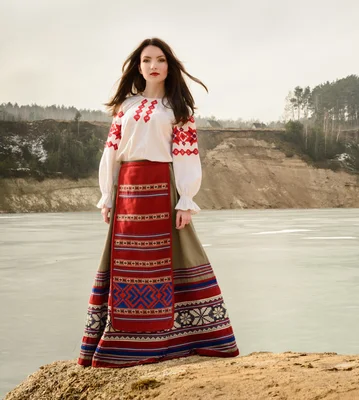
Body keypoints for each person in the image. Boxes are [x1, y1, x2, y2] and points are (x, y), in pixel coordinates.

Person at [77, 38, 239, 368]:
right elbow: (111, 152)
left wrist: (186, 200)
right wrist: (107, 195)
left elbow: (186, 155)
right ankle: (120, 342)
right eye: (147, 60)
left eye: (161, 60)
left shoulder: (178, 110)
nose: (154, 65)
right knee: (126, 260)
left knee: (174, 257)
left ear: (169, 66)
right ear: (138, 66)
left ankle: (188, 338)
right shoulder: (126, 107)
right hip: (128, 191)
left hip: (163, 190)